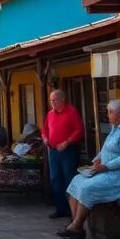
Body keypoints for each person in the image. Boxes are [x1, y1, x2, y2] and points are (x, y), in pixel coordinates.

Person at [57, 100, 120, 239]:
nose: (108, 115)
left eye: (110, 112)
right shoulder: (115, 129)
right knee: (76, 182)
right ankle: (76, 224)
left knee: (87, 188)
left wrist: (106, 166)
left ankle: (76, 227)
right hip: (106, 171)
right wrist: (97, 159)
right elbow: (105, 150)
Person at [42, 89, 85, 219]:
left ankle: (72, 211)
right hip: (54, 151)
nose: (52, 103)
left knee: (69, 179)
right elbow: (44, 129)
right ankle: (60, 208)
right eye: (50, 100)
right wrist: (45, 138)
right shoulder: (50, 114)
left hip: (68, 150)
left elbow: (79, 130)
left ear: (62, 100)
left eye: (54, 100)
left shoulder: (71, 112)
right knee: (55, 179)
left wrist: (67, 142)